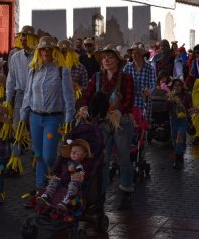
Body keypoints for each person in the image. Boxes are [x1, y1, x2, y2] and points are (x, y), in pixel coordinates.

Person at [80, 44, 135, 210]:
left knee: (123, 156)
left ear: (118, 60)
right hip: (102, 123)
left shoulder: (126, 78)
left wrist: (120, 110)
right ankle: (100, 195)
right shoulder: (97, 77)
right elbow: (87, 95)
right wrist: (83, 107)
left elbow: (129, 100)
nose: (106, 60)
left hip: (121, 123)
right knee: (102, 159)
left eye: (110, 57)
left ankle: (126, 190)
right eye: (104, 57)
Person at [20, 36, 76, 194]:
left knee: (49, 155)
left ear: (55, 51)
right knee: (38, 155)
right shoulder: (33, 70)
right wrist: (22, 118)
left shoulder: (62, 70)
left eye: (49, 48)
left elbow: (69, 98)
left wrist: (68, 121)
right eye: (43, 49)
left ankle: (55, 178)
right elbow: (27, 95)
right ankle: (40, 188)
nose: (46, 51)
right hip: (35, 117)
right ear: (38, 51)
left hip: (53, 118)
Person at [37, 139, 91, 212]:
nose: (73, 153)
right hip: (63, 180)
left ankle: (68, 199)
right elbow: (57, 170)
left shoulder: (83, 164)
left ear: (84, 154)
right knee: (54, 181)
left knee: (73, 184)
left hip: (74, 182)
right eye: (72, 152)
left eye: (77, 151)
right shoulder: (67, 161)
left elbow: (81, 176)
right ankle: (47, 195)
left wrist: (74, 171)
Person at [6, 25, 38, 127]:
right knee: (17, 125)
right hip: (20, 94)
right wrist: (8, 100)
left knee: (34, 125)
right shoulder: (15, 57)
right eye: (22, 40)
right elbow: (11, 79)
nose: (23, 42)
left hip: (36, 95)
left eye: (26, 40)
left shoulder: (39, 57)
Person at [123, 42, 156, 119]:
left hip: (144, 102)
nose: (134, 55)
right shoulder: (127, 68)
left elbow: (153, 84)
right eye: (133, 53)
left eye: (137, 53)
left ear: (142, 54)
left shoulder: (150, 68)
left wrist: (149, 91)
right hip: (130, 101)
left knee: (143, 125)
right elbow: (122, 83)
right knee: (130, 126)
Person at [167, 79, 191, 169]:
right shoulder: (170, 95)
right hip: (173, 120)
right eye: (175, 85)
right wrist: (170, 100)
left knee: (179, 137)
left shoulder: (186, 96)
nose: (177, 87)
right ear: (173, 87)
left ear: (181, 87)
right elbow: (166, 107)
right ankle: (180, 155)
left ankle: (177, 161)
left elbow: (189, 108)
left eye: (179, 85)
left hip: (182, 120)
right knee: (175, 140)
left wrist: (192, 111)